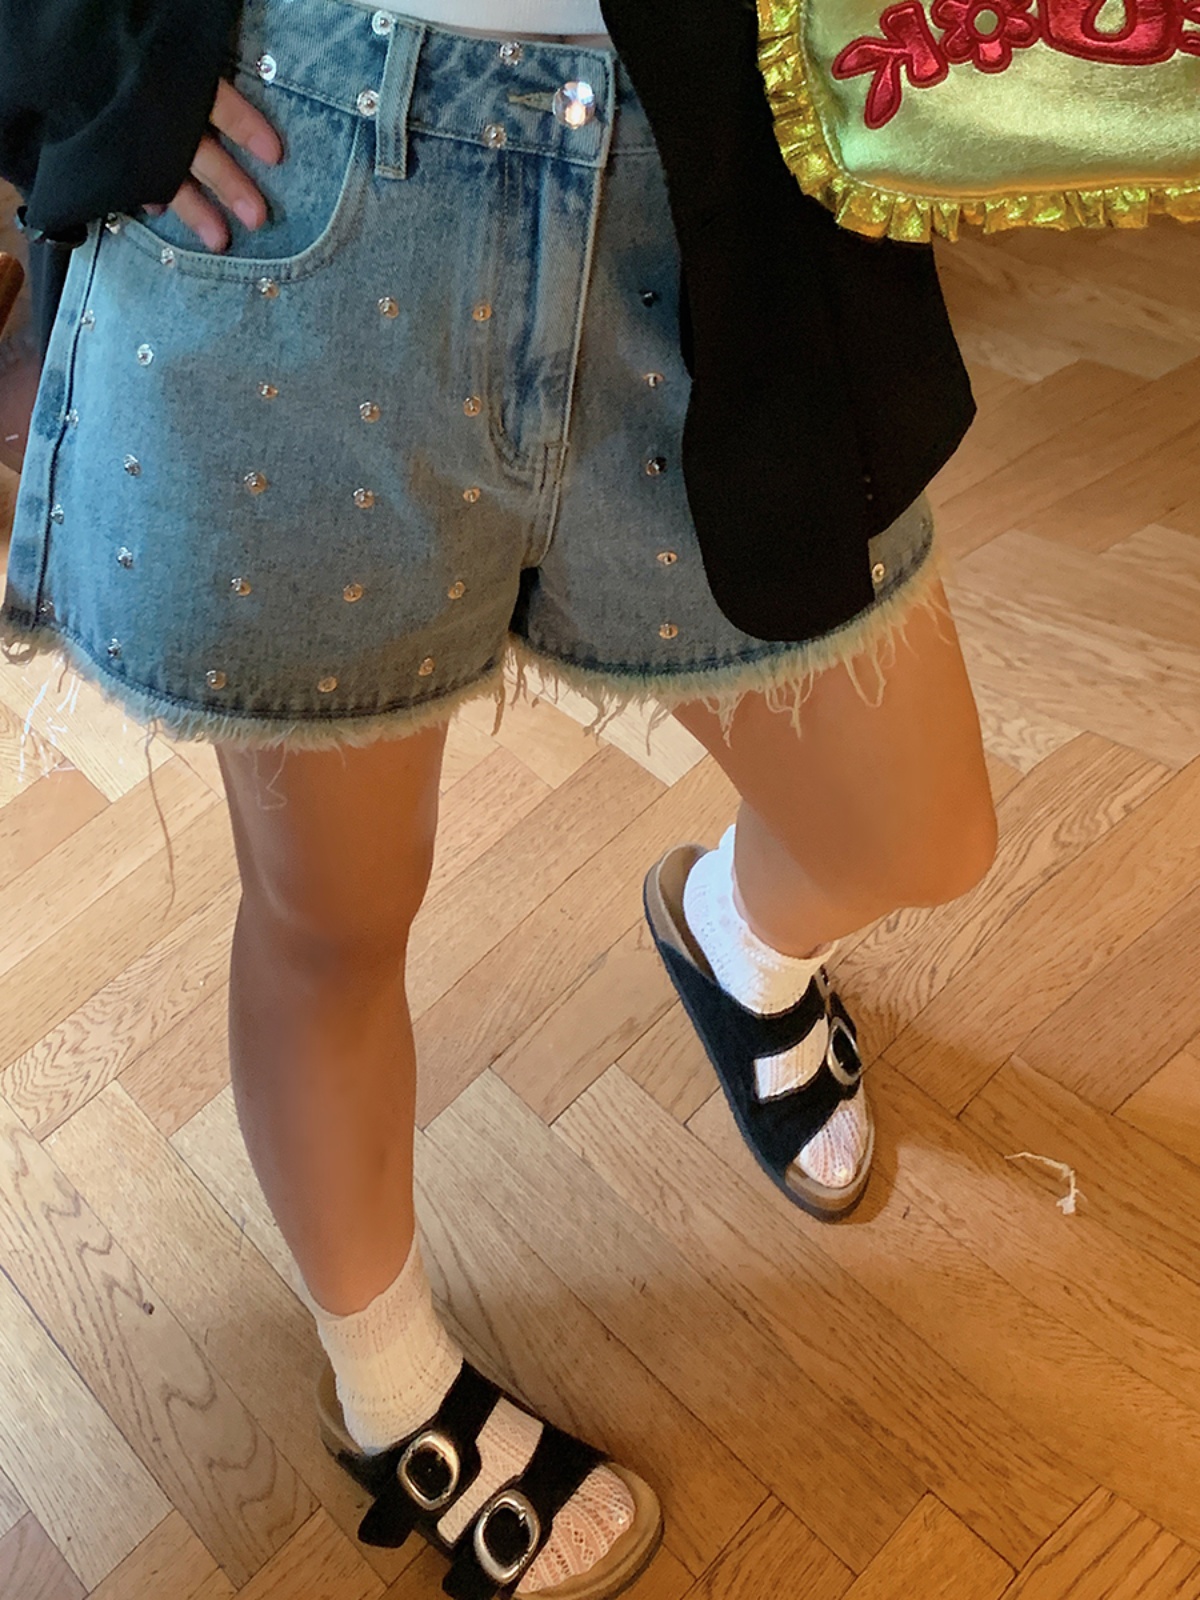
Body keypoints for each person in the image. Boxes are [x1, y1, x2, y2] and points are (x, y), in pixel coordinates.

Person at [0, 0, 997, 1593]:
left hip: (711, 173)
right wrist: (62, 53)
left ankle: (736, 940)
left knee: (916, 832)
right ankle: (391, 1395)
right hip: (292, 169)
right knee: (330, 920)